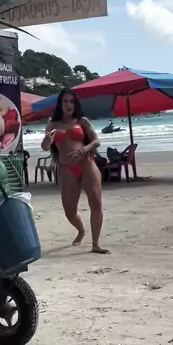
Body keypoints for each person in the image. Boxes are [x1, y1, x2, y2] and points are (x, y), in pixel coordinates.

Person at [41, 89, 109, 254]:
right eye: (65, 101)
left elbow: (96, 141)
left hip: (86, 163)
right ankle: (81, 230)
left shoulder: (82, 121)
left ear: (76, 104)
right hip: (67, 168)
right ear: (60, 104)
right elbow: (44, 147)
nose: (69, 105)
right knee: (70, 211)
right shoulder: (52, 125)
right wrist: (47, 141)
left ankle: (95, 243)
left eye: (72, 101)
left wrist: (84, 149)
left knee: (96, 203)